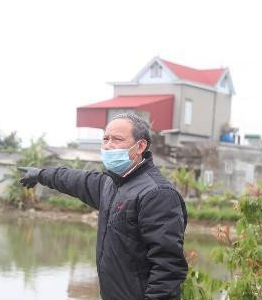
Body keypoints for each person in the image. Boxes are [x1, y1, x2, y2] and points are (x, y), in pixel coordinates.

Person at [18, 113, 188, 300]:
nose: (108, 145)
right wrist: (41, 174)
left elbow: (168, 267)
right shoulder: (110, 184)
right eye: (105, 139)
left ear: (140, 146)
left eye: (117, 139)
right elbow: (74, 180)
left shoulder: (157, 193)